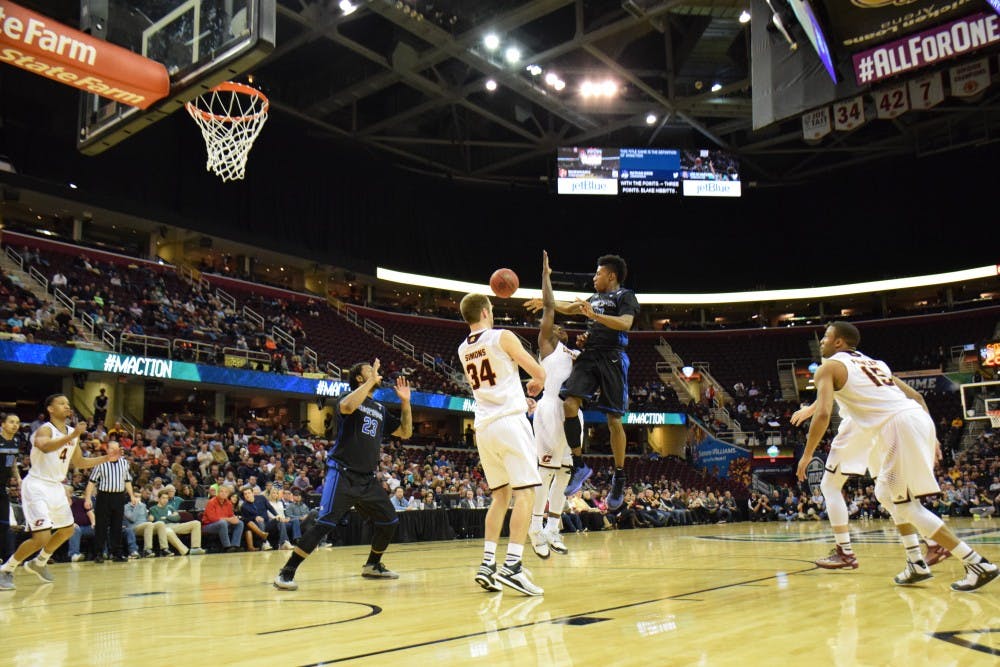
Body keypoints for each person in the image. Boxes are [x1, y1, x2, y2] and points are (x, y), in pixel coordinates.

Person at [796, 322, 997, 591]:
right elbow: (915, 396)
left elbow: (823, 414)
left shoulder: (828, 367)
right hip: (914, 420)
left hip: (897, 426)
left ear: (839, 342)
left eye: (826, 337)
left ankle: (976, 562)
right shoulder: (876, 364)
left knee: (905, 505)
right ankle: (916, 561)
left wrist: (807, 455)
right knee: (885, 495)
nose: (821, 341)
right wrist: (932, 435)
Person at [274, 359, 412, 590]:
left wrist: (406, 402)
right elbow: (347, 407)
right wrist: (370, 383)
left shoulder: (380, 409)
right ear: (359, 378)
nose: (376, 372)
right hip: (343, 473)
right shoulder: (348, 399)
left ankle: (372, 565)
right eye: (370, 370)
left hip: (367, 479)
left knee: (389, 520)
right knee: (324, 523)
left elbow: (406, 433)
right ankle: (286, 572)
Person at [526, 254, 639, 510]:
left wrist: (595, 317)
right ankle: (579, 465)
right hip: (590, 356)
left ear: (611, 275)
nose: (594, 277)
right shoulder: (594, 299)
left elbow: (626, 323)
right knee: (569, 405)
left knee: (614, 421)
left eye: (598, 274)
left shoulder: (625, 296)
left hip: (613, 358)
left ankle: (619, 475)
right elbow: (563, 307)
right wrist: (546, 291)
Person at [458, 293, 546, 596]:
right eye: (492, 309)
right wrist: (538, 382)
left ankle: (487, 564)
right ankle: (513, 566)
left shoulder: (462, 349)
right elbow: (538, 371)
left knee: (500, 496)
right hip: (509, 422)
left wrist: (522, 392)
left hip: (483, 427)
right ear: (485, 311)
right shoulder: (502, 336)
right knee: (526, 495)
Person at [0, 394, 118, 590]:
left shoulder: (72, 432)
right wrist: (72, 436)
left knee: (67, 530)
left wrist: (106, 458)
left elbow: (79, 462)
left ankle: (39, 562)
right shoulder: (44, 429)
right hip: (37, 485)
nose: (67, 406)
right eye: (61, 403)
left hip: (55, 486)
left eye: (68, 404)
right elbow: (45, 446)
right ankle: (7, 569)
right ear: (50, 409)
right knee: (41, 537)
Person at [529, 250, 581, 558]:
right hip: (549, 409)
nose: (554, 325)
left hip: (573, 413)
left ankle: (553, 528)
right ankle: (535, 528)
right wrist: (546, 277)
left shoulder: (576, 354)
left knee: (564, 474)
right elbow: (549, 307)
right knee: (546, 473)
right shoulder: (548, 345)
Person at [83, 441, 133, 563]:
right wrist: (88, 498)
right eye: (113, 449)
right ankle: (99, 553)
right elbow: (91, 482)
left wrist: (132, 495)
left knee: (117, 525)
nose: (115, 451)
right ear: (108, 450)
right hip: (104, 497)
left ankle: (116, 553)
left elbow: (127, 480)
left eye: (117, 449)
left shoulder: (124, 463)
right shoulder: (100, 463)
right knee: (101, 526)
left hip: (119, 496)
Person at [0, 413, 24, 563]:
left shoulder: (15, 441)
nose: (15, 425)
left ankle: (7, 557)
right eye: (11, 422)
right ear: (3, 424)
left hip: (3, 487)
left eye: (17, 422)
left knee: (4, 524)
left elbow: (12, 463)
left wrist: (19, 479)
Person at [201, 485, 244, 552]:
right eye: (221, 491)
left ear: (228, 494)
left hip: (224, 524)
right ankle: (227, 547)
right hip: (208, 525)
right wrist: (228, 519)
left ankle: (235, 546)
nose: (224, 493)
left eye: (226, 492)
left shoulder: (229, 503)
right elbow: (212, 518)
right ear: (218, 493)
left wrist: (234, 518)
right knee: (222, 523)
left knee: (240, 523)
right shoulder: (211, 502)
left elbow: (230, 515)